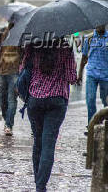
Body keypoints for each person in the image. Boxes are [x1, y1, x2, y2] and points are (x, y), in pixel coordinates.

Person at [21, 38, 77, 192]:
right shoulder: (65, 47)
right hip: (57, 100)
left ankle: (38, 182)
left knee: (38, 142)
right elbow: (72, 77)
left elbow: (23, 69)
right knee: (48, 144)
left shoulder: (32, 45)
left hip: (35, 99)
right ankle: (41, 186)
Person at [77, 25, 108, 125]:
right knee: (90, 99)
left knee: (106, 101)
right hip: (91, 73)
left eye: (101, 23)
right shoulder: (89, 38)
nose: (99, 25)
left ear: (105, 24)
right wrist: (80, 74)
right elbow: (84, 57)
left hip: (105, 74)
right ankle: (92, 125)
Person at [0, 22, 21, 136]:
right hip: (2, 71)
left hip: (15, 73)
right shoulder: (1, 32)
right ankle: (7, 118)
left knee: (11, 99)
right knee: (2, 100)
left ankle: (8, 125)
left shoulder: (22, 34)